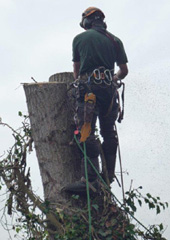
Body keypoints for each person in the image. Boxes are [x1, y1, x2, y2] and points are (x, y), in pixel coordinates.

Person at [65, 7, 128, 193]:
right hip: (109, 93)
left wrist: (80, 82)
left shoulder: (79, 39)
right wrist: (113, 78)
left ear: (87, 21)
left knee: (86, 131)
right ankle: (107, 177)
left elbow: (76, 72)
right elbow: (123, 71)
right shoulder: (115, 41)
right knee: (109, 133)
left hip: (89, 90)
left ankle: (90, 180)